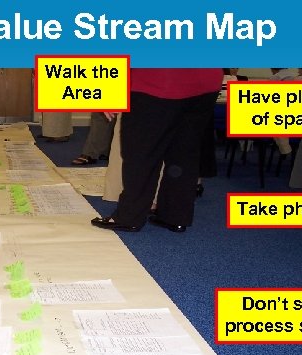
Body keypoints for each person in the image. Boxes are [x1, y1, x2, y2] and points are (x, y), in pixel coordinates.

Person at [91, 68, 222, 233]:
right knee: (184, 153)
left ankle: (129, 217)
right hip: (207, 80)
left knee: (140, 153)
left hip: (158, 81)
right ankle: (175, 216)